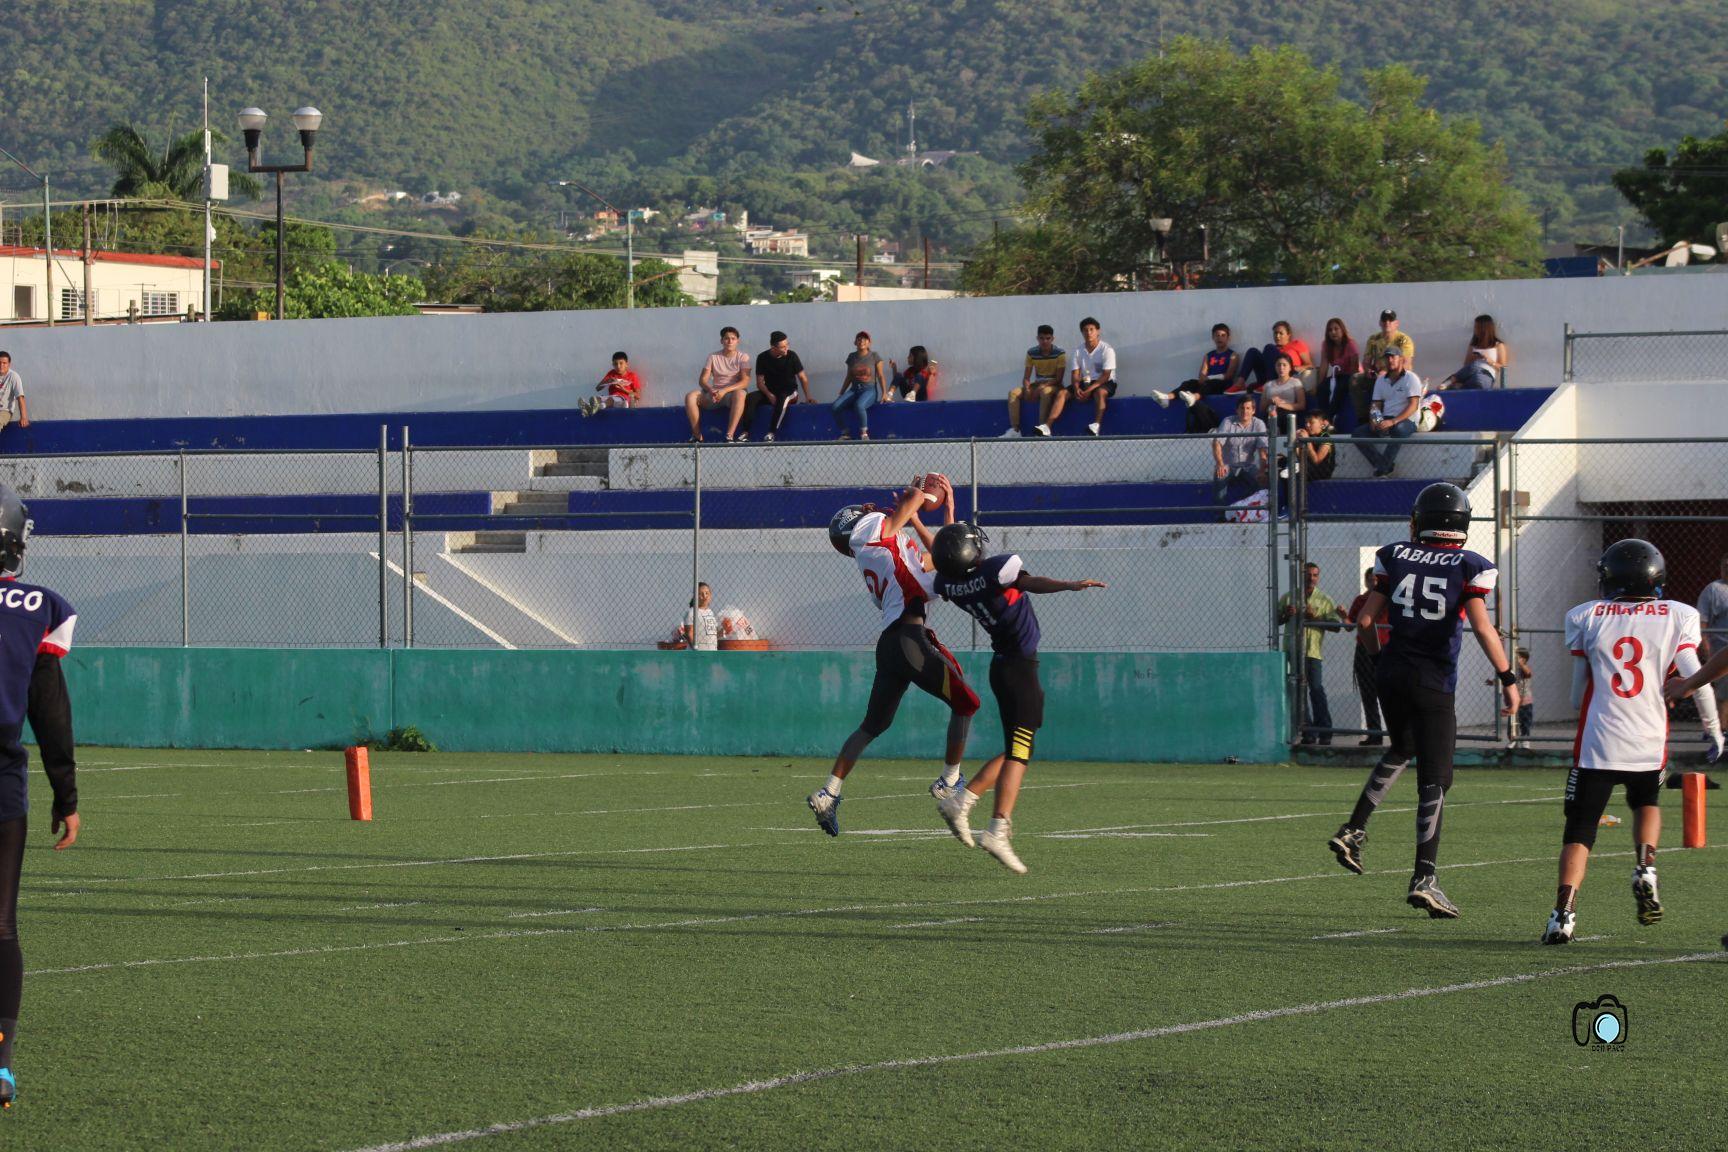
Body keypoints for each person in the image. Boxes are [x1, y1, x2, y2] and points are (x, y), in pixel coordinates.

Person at [1326, 483, 1518, 919]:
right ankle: (1424, 877)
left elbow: (1366, 621)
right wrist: (1508, 678)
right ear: (1460, 524)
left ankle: (1354, 829)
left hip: (1392, 669)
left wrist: (1380, 663)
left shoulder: (1394, 554)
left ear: (1422, 520)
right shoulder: (1471, 564)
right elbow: (1483, 629)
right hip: (1432, 679)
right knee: (1435, 778)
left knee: (1401, 747)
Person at [1541, 540, 1723, 945]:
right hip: (1648, 739)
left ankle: (1563, 915)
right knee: (1647, 803)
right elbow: (1699, 681)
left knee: (1581, 829)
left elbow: (1575, 696)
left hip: (1598, 741)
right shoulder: (1678, 614)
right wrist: (1714, 730)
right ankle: (1646, 867)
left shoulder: (1587, 615)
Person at [929, 521, 1106, 873]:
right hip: (1020, 670)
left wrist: (942, 517)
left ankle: (962, 802)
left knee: (1017, 748)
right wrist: (1069, 585)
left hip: (1005, 667)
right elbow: (1030, 582)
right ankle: (998, 826)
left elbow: (946, 556)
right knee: (1021, 751)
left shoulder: (948, 583)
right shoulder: (997, 570)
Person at [809, 478, 981, 837]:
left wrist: (945, 511)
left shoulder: (882, 549)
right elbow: (914, 500)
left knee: (872, 726)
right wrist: (921, 491)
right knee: (966, 703)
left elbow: (942, 559)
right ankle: (949, 781)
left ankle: (829, 792)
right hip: (909, 639)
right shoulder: (869, 531)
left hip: (892, 645)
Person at [0, 485, 79, 1109]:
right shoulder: (39, 605)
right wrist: (66, 793)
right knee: (0, 925)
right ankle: (0, 1064)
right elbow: (48, 710)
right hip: (3, 782)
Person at [1280, 562, 1343, 745]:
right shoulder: (1289, 597)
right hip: (1293, 651)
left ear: (1318, 577)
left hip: (1312, 652)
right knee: (1297, 692)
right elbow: (1277, 620)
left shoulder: (1324, 600)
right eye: (1308, 574)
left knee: (1316, 690)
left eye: (1315, 575)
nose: (1311, 578)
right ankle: (1308, 732)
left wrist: (1314, 617)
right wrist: (1286, 614)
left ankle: (1325, 731)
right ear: (1302, 576)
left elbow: (1336, 627)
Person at [1151, 322, 1237, 432]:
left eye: (1223, 335)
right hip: (1207, 383)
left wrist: (1209, 378)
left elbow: (1229, 375)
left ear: (1228, 337)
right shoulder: (1209, 355)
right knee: (1189, 383)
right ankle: (1167, 398)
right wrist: (1203, 378)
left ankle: (1194, 397)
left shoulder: (1233, 355)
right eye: (1217, 335)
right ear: (1213, 337)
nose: (1219, 338)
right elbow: (1202, 373)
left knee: (1211, 383)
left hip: (1222, 385)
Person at [1355, 347, 1423, 478]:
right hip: (1387, 419)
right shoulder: (1381, 380)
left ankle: (1382, 468)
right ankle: (1385, 465)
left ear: (1401, 359)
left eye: (1393, 356)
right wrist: (1374, 420)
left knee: (1398, 430)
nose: (1390, 360)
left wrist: (1393, 421)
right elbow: (1376, 405)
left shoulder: (1411, 378)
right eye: (1387, 357)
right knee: (1358, 434)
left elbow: (1413, 405)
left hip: (1407, 421)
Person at [1042, 317, 1115, 436]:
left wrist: (1089, 391)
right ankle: (1047, 427)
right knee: (1062, 393)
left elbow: (1106, 376)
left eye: (1092, 329)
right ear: (1082, 333)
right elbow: (1075, 374)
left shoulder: (1107, 350)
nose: (1089, 333)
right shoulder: (1078, 351)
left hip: (1105, 382)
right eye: (1085, 330)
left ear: (1098, 331)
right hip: (1085, 382)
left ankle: (1096, 426)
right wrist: (1076, 389)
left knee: (1100, 393)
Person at [684, 327, 752, 443]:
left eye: (733, 339)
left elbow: (745, 381)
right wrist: (710, 389)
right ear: (721, 341)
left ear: (737, 341)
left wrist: (725, 390)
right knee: (690, 396)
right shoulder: (713, 357)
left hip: (731, 395)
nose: (730, 341)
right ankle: (697, 436)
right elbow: (703, 380)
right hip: (713, 394)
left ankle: (729, 435)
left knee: (741, 394)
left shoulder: (743, 357)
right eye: (726, 339)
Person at [1343, 567, 1386, 746]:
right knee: (1368, 693)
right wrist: (1343, 616)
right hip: (1364, 648)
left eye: (1376, 580)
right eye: (1370, 580)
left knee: (1388, 692)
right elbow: (1350, 624)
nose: (1373, 583)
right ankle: (1374, 733)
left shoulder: (1386, 600)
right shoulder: (1361, 600)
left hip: (1384, 647)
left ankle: (1399, 733)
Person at [744, 331, 812, 443]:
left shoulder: (792, 356)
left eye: (787, 345)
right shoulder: (762, 358)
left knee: (782, 397)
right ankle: (745, 432)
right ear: (773, 347)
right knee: (751, 397)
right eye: (782, 347)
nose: (786, 348)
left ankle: (771, 433)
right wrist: (769, 395)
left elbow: (802, 378)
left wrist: (808, 396)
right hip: (770, 391)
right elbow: (760, 382)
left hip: (789, 391)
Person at [1349, 310, 1416, 421]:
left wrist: (1387, 373)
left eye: (1390, 320)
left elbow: (1406, 364)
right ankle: (1363, 418)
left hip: (1399, 376)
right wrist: (1368, 371)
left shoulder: (1404, 340)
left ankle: (1387, 418)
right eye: (1384, 320)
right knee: (1355, 379)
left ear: (1396, 323)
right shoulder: (1373, 339)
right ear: (1380, 323)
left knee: (1382, 381)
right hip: (1378, 375)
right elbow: (1366, 361)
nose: (1387, 322)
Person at [1002, 325, 1066, 437]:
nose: (1044, 341)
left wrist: (1042, 387)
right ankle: (1015, 430)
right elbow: (1026, 377)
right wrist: (1027, 388)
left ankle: (1042, 429)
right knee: (1013, 393)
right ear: (1037, 338)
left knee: (1045, 392)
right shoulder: (1032, 352)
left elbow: (1058, 379)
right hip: (1037, 384)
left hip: (1054, 385)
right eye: (1041, 338)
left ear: (1052, 339)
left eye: (1047, 338)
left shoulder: (1060, 353)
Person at [831, 331, 889, 440]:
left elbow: (881, 376)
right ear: (855, 342)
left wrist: (884, 393)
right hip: (854, 390)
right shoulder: (852, 357)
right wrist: (841, 392)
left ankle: (864, 433)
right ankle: (845, 433)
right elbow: (849, 376)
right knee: (835, 407)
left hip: (869, 390)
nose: (862, 341)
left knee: (859, 405)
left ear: (869, 342)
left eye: (865, 339)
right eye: (859, 338)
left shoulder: (874, 356)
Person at [1212, 394, 1267, 504]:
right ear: (1237, 410)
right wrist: (1220, 464)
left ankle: (1243, 507)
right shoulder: (1228, 421)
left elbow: (1263, 450)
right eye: (1242, 408)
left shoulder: (1259, 424)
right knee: (1219, 477)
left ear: (1253, 411)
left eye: (1248, 408)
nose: (1245, 411)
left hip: (1248, 466)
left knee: (1264, 482)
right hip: (1228, 465)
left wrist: (1262, 471)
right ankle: (1220, 516)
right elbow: (1216, 443)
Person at [1695, 556, 1728, 735]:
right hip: (1721, 650)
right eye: (1725, 565)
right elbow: (1703, 622)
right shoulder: (1713, 590)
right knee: (1723, 694)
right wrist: (1705, 647)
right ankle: (1719, 730)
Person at [1437, 315, 1510, 391]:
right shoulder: (1473, 345)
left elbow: (1503, 369)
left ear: (1484, 329)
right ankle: (1455, 383)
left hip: (1486, 374)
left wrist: (1490, 362)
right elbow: (1466, 365)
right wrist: (1473, 358)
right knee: (1475, 366)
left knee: (1478, 383)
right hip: (1470, 372)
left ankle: (1452, 382)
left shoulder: (1498, 345)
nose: (1475, 330)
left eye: (1477, 327)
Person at [1238, 320, 1313, 391]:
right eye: (1275, 333)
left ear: (1288, 335)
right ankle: (1240, 384)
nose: (1277, 336)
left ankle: (1269, 384)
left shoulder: (1296, 344)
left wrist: (1299, 368)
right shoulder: (1272, 350)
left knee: (1269, 347)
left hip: (1285, 375)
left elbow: (1310, 365)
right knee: (1253, 351)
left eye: (1281, 333)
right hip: (1268, 375)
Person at [1316, 318, 1360, 420]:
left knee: (1338, 388)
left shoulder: (1350, 344)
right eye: (1330, 330)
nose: (1333, 332)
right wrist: (1319, 384)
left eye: (1336, 329)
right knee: (1322, 388)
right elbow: (1324, 366)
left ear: (1342, 330)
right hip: (1337, 376)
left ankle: (1329, 418)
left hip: (1350, 375)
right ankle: (1320, 418)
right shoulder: (1326, 345)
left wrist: (1353, 383)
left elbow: (1355, 367)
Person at [1259, 353, 1307, 425]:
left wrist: (1281, 405)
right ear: (1275, 367)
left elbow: (1302, 405)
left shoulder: (1295, 382)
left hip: (1287, 415)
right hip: (1270, 414)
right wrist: (1270, 401)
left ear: (1290, 367)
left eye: (1284, 365)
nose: (1281, 368)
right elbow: (1261, 407)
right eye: (1279, 365)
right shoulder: (1268, 384)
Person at [678, 582, 720, 651]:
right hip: (698, 654)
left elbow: (712, 634)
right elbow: (689, 634)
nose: (704, 596)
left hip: (711, 653)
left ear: (710, 595)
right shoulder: (692, 612)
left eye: (707, 593)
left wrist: (725, 630)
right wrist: (696, 650)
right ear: (695, 596)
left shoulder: (710, 612)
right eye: (701, 594)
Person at [0, 355, 28, 433]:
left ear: (9, 364)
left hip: (4, 411)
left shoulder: (13, 376)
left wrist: (23, 417)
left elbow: (20, 397)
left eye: (4, 363)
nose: (1, 365)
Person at [1513, 647, 1534, 747]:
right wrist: (1493, 682)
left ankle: (1525, 739)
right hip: (1514, 701)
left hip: (1525, 701)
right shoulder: (1513, 670)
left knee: (1525, 722)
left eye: (1517, 657)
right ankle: (1513, 739)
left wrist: (1521, 664)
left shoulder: (1525, 668)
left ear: (1523, 659)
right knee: (1514, 722)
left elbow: (1528, 673)